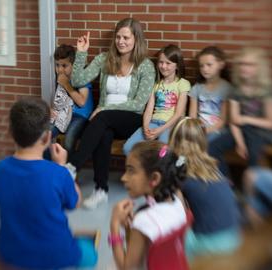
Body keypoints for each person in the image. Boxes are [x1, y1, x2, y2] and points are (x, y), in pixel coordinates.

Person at [0, 98, 97, 269]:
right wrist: (63, 166)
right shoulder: (58, 173)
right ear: (47, 136)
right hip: (55, 256)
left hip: (11, 255)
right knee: (89, 253)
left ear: (10, 132)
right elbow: (75, 202)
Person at [68, 18, 156, 209]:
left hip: (131, 119)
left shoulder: (146, 66)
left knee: (102, 118)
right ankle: (101, 190)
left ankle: (73, 165)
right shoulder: (104, 59)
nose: (121, 41)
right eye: (118, 37)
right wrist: (81, 53)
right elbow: (76, 80)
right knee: (104, 134)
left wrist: (104, 108)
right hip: (105, 121)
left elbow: (138, 103)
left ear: (136, 39)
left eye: (126, 37)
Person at [169, 117, 241, 259]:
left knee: (174, 234)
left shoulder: (179, 172)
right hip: (235, 236)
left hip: (211, 244)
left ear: (173, 141)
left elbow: (178, 216)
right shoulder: (212, 166)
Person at [110, 141, 188, 269]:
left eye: (131, 171)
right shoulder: (178, 201)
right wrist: (132, 227)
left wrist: (114, 225)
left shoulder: (143, 220)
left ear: (154, 178)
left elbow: (126, 268)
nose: (123, 177)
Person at [209, 47, 272, 177]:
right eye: (241, 64)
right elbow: (234, 121)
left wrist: (245, 119)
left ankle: (254, 188)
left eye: (250, 64)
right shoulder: (236, 90)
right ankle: (226, 181)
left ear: (259, 68)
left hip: (262, 133)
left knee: (254, 151)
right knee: (211, 148)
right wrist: (240, 143)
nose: (244, 67)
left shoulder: (267, 90)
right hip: (241, 131)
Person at [123, 44, 190, 155]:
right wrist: (145, 127)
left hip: (171, 126)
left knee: (162, 153)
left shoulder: (182, 84)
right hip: (153, 123)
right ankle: (145, 170)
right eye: (161, 62)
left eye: (168, 63)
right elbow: (149, 110)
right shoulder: (156, 85)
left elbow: (179, 113)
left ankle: (157, 171)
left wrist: (161, 130)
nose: (163, 66)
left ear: (177, 66)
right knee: (128, 148)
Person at [50, 44, 93, 156]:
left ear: (74, 65)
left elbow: (82, 102)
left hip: (80, 116)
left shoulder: (81, 78)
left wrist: (66, 84)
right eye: (57, 65)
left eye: (64, 66)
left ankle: (69, 169)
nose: (60, 69)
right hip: (63, 114)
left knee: (69, 140)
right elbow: (59, 100)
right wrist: (52, 110)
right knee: (46, 134)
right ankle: (49, 167)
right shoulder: (60, 78)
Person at [188, 46, 233, 142]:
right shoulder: (197, 88)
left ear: (221, 64)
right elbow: (192, 116)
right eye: (202, 65)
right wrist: (195, 130)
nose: (205, 69)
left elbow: (223, 120)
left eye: (209, 65)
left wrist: (206, 131)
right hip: (199, 129)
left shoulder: (227, 88)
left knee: (207, 144)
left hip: (217, 130)